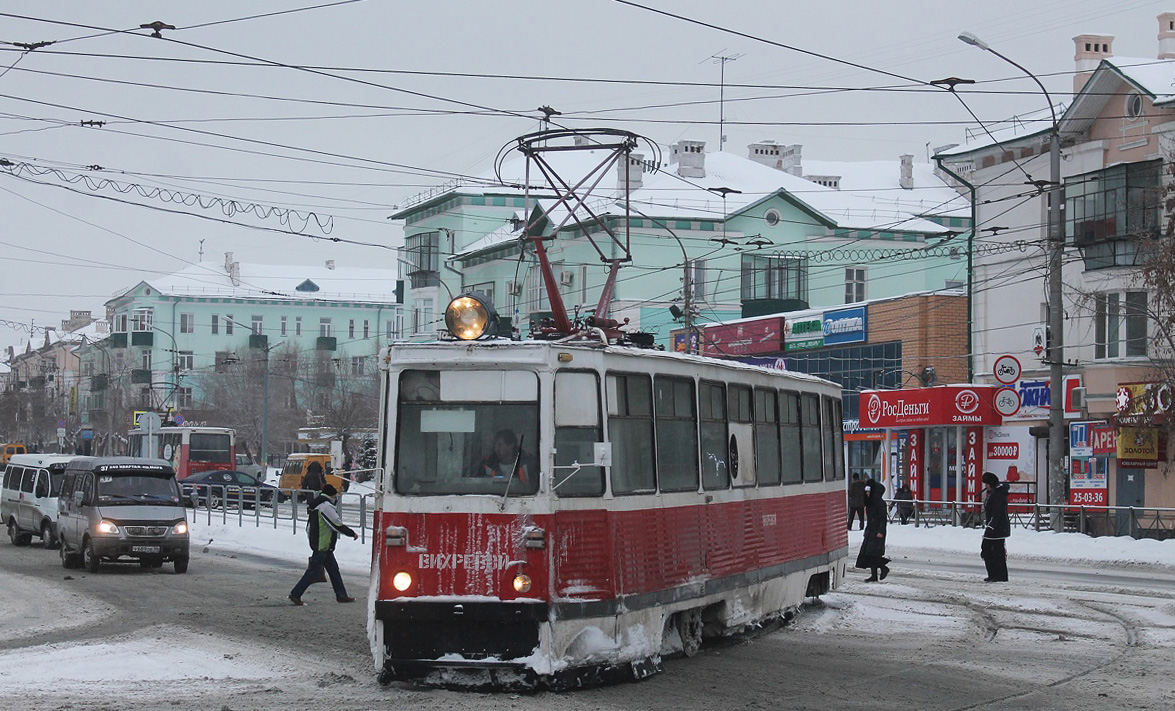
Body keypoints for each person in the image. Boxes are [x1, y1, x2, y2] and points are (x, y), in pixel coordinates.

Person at [289, 484, 359, 605]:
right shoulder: (326, 507)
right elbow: (337, 524)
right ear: (332, 495)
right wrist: (351, 533)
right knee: (312, 572)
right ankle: (295, 594)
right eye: (335, 495)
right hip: (322, 545)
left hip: (323, 545)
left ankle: (341, 595)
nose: (336, 498)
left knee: (334, 570)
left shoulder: (317, 505)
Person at [854, 479, 890, 582]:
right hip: (870, 530)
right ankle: (875, 575)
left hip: (877, 532)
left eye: (869, 492)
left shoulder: (880, 503)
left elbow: (882, 519)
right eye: (866, 492)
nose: (867, 494)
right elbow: (870, 520)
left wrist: (881, 531)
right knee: (869, 554)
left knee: (873, 554)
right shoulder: (870, 503)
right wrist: (866, 530)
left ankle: (883, 568)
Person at [469, 429, 534, 483]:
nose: (496, 448)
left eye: (500, 445)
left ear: (511, 445)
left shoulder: (528, 463)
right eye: (495, 445)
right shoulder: (488, 464)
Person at [981, 471, 1010, 582]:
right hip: (995, 527)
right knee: (994, 551)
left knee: (990, 550)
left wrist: (991, 527)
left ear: (990, 483)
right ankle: (996, 574)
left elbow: (996, 513)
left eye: (986, 483)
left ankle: (998, 575)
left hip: (997, 528)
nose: (985, 486)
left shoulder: (997, 495)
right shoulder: (995, 493)